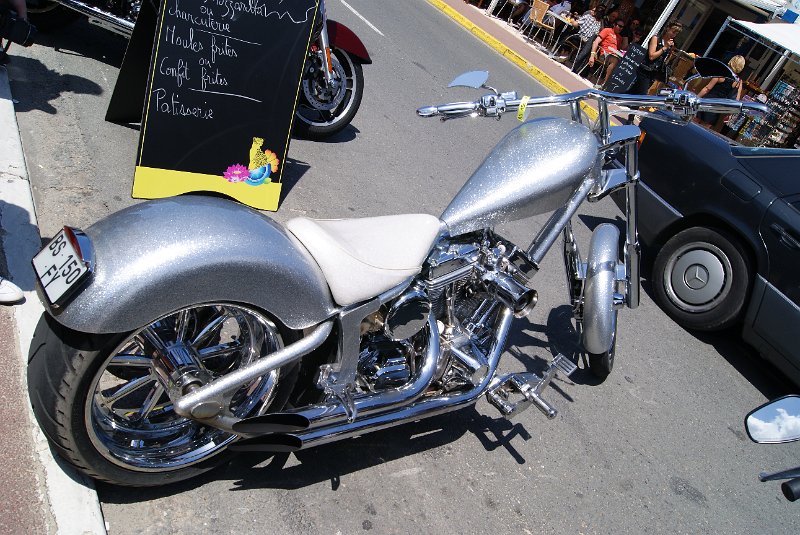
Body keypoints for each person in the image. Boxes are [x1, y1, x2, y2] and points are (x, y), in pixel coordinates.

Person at [626, 22, 683, 96]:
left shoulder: (670, 44)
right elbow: (651, 56)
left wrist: (670, 51)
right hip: (645, 70)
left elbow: (665, 59)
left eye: (676, 34)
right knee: (642, 94)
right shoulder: (656, 39)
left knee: (634, 91)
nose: (673, 35)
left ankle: (618, 98)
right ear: (668, 29)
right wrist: (665, 47)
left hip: (654, 73)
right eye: (673, 32)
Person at [695, 55, 746, 128]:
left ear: (732, 61)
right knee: (704, 130)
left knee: (693, 124)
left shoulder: (721, 73)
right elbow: (736, 100)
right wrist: (731, 114)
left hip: (707, 101)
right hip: (717, 106)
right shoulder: (739, 81)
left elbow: (707, 88)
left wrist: (696, 98)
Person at [588, 18, 624, 88]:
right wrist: (592, 55)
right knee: (615, 60)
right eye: (619, 26)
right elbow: (596, 42)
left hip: (614, 56)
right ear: (614, 25)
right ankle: (604, 84)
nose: (621, 28)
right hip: (604, 55)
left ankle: (611, 86)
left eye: (622, 27)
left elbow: (618, 50)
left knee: (622, 64)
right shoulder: (607, 30)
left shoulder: (619, 38)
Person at [569, 5, 605, 75]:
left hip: (580, 39)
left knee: (592, 40)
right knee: (592, 44)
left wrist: (572, 19)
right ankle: (580, 68)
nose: (591, 11)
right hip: (587, 43)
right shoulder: (600, 24)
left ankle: (577, 64)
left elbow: (575, 24)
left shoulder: (588, 17)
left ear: (596, 12)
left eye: (593, 10)